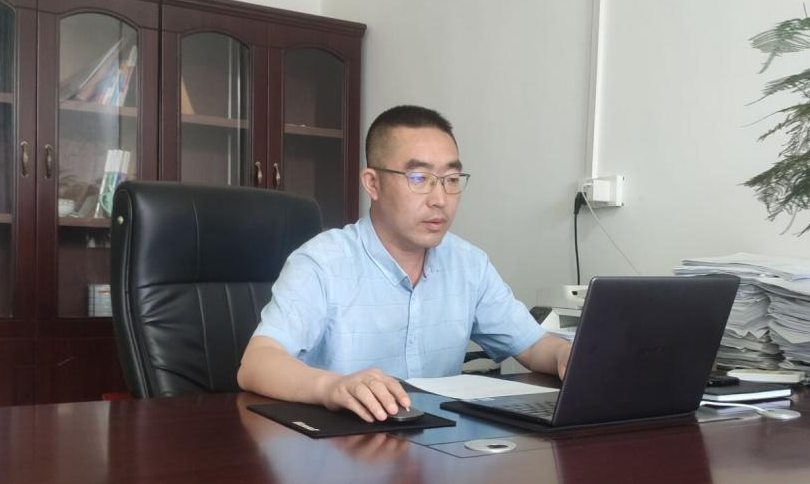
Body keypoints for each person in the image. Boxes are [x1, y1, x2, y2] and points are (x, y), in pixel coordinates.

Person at [237, 104, 571, 421]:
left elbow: (532, 344)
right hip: (342, 445)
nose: (440, 199)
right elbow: (257, 362)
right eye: (419, 178)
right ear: (373, 184)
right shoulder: (322, 263)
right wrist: (333, 387)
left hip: (439, 445)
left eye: (451, 179)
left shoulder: (469, 264)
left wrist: (562, 354)